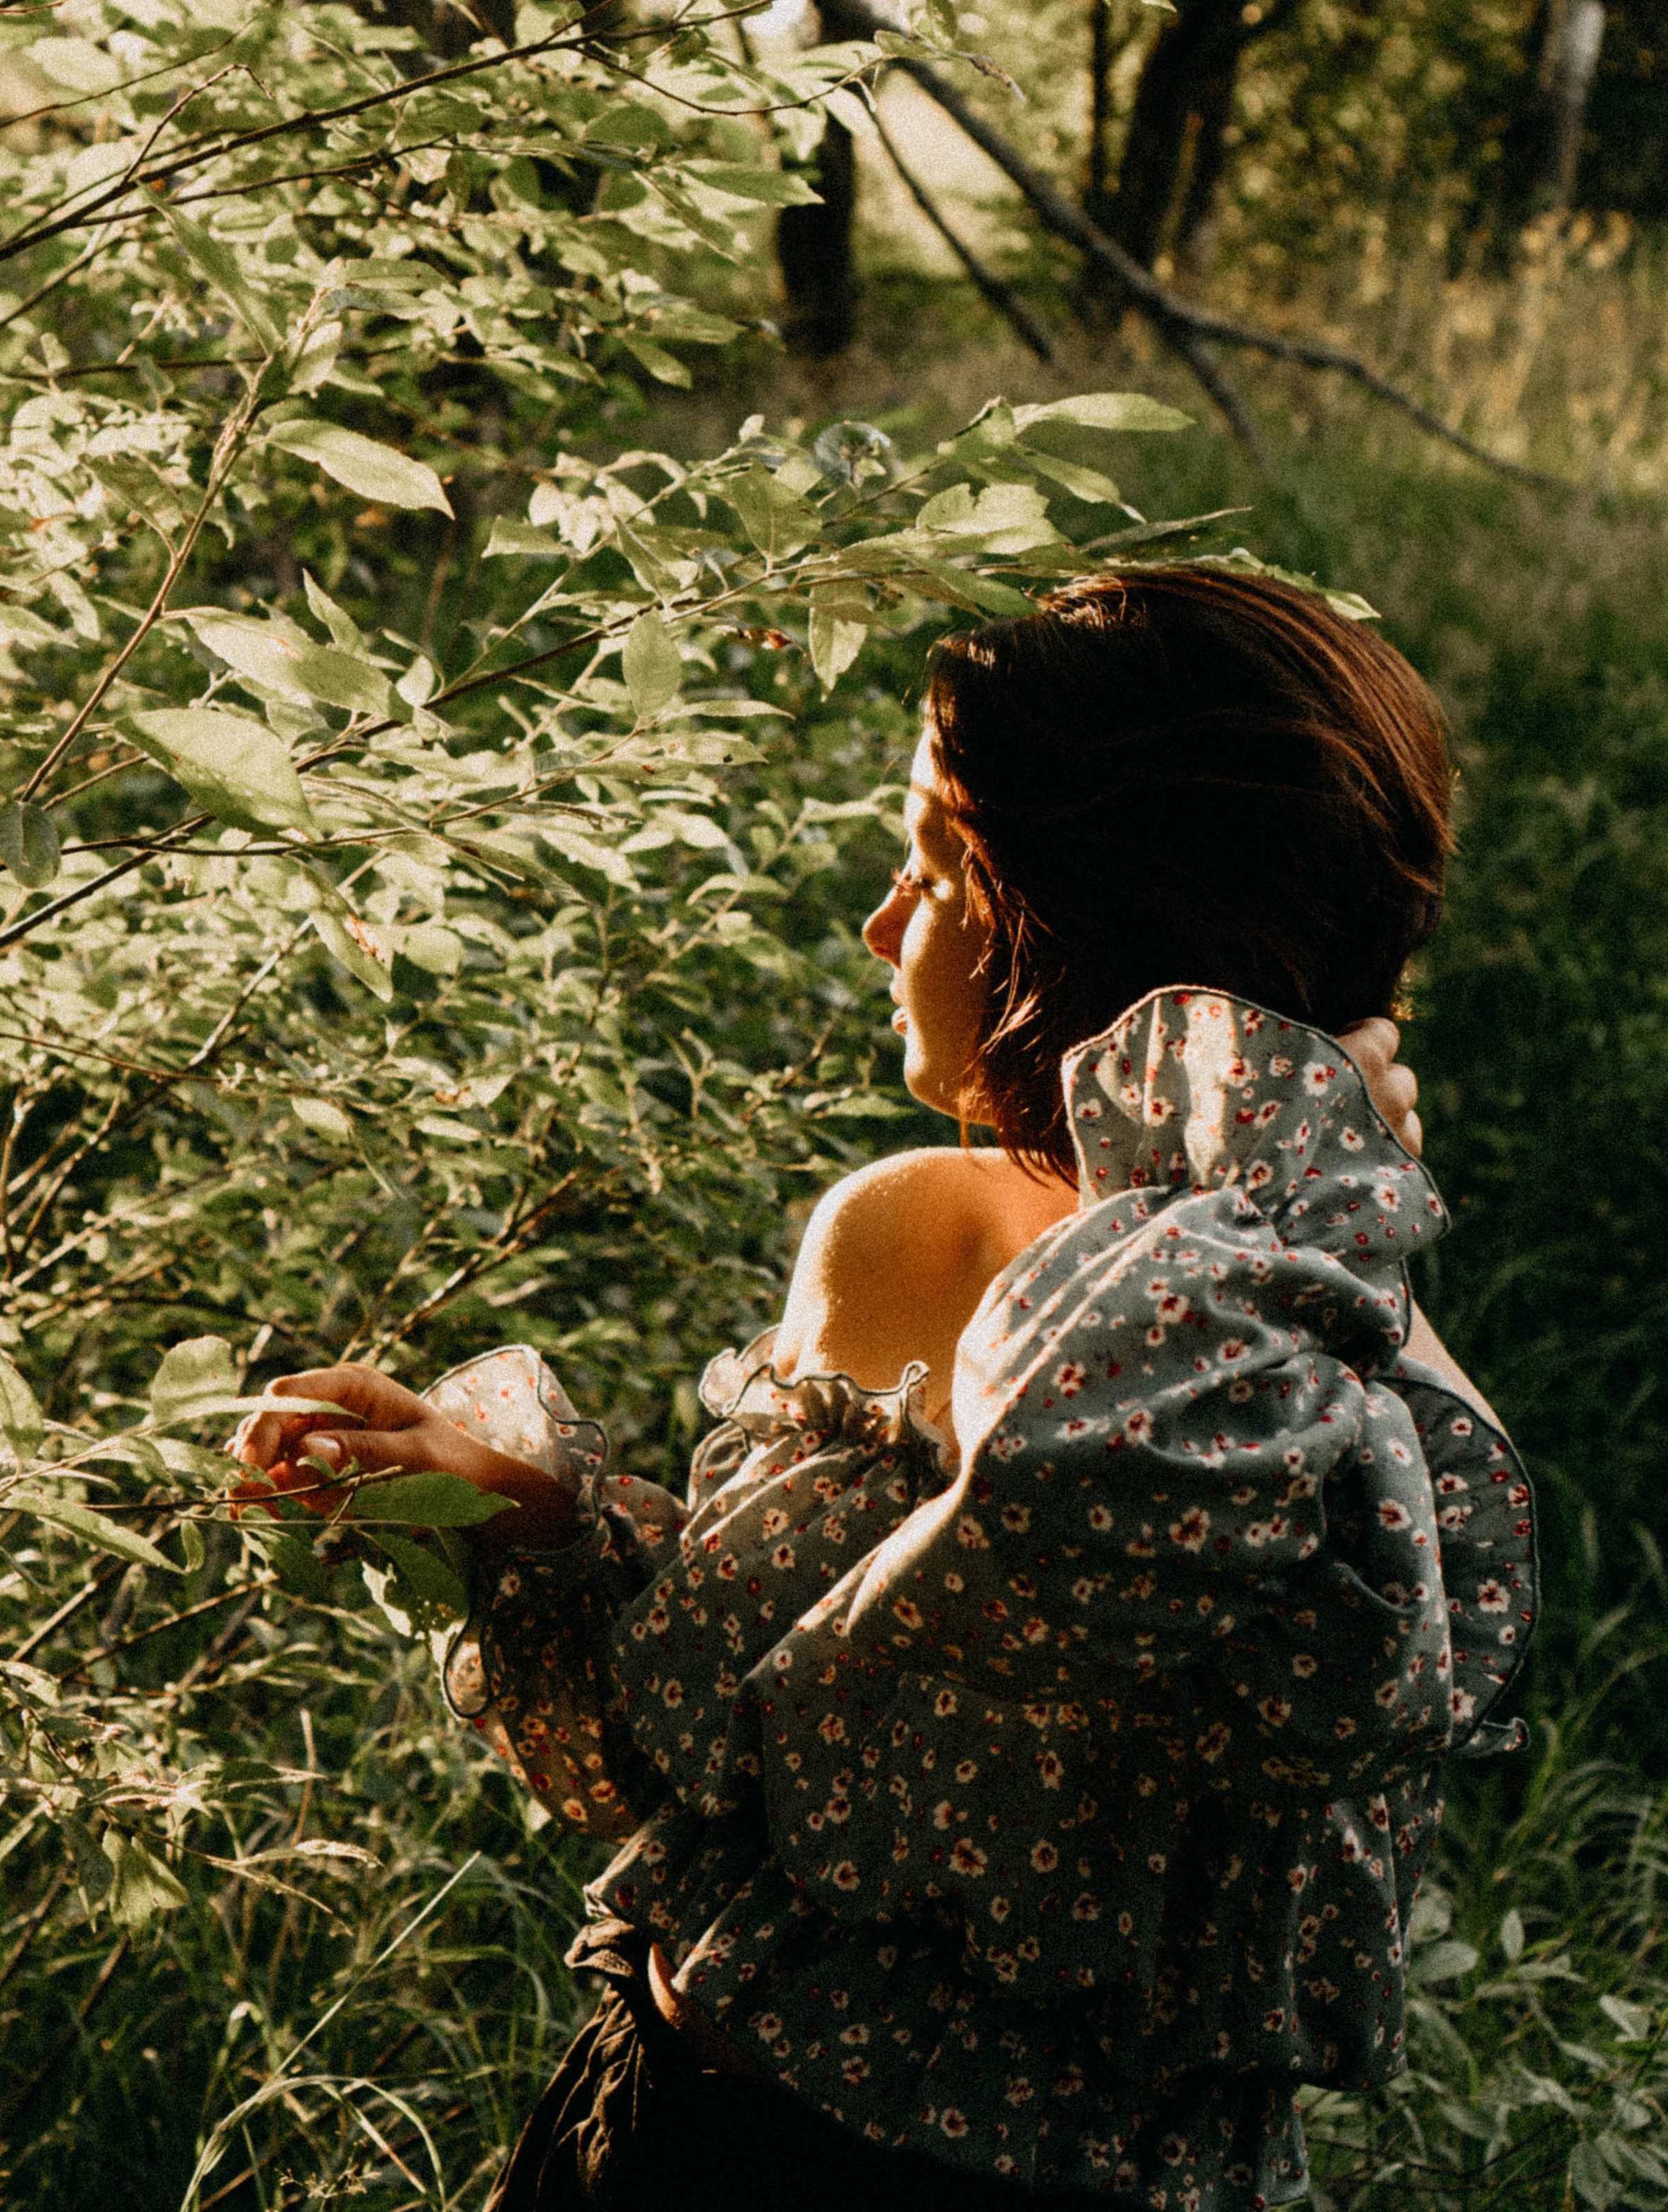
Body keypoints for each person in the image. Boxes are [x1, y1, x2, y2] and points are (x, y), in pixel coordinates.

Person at [233, 566, 1535, 2212]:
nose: (880, 924)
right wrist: (527, 1497)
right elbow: (883, 1698)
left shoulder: (951, 1233)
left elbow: (713, 1734)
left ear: (1072, 920)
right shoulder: (1359, 1347)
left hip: (746, 2143)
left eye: (933, 870)